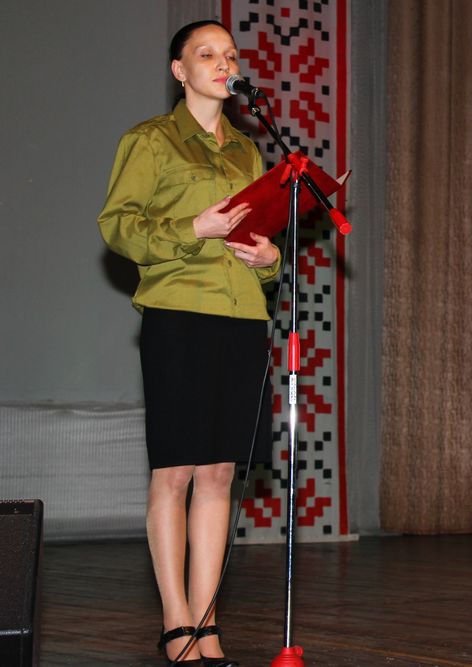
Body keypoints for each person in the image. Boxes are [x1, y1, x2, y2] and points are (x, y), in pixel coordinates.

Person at [98, 20, 280, 666]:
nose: (223, 64)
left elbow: (260, 238)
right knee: (174, 470)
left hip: (242, 316)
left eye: (230, 55)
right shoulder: (150, 140)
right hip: (179, 314)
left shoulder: (246, 151)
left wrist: (269, 258)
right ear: (179, 71)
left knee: (219, 472)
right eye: (207, 54)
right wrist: (192, 228)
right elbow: (118, 227)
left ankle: (207, 621)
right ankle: (176, 620)